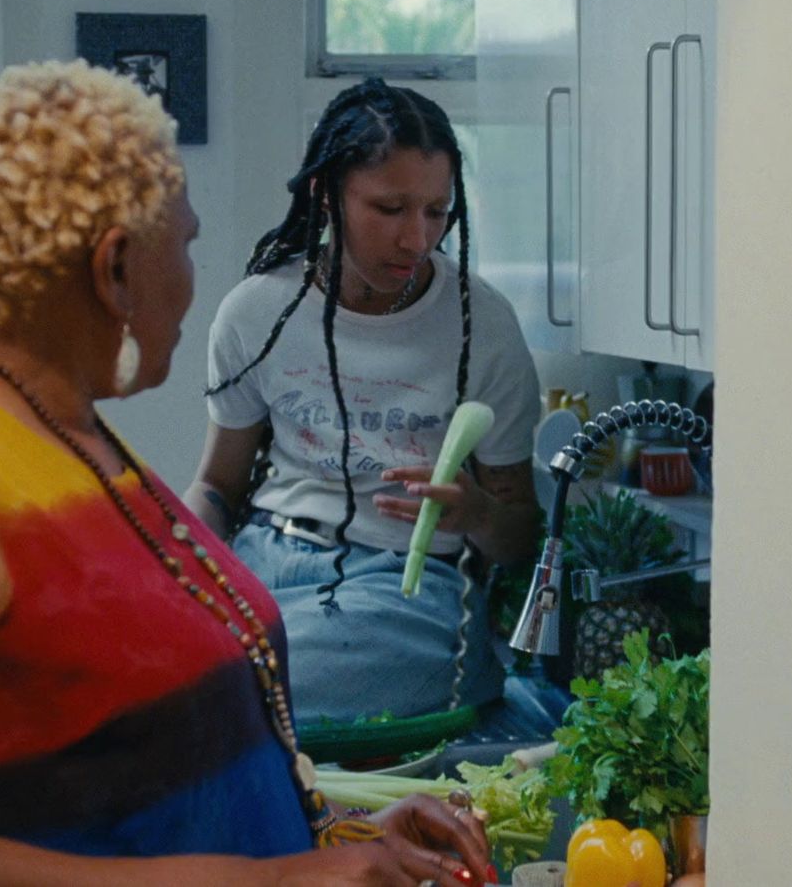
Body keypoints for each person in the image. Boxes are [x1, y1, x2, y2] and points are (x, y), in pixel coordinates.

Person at [0, 60, 491, 886]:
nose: (193, 282)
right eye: (185, 244)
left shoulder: (79, 443)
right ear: (116, 267)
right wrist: (276, 882)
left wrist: (332, 833)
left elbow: (135, 782)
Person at [185, 78, 543, 725]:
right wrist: (177, 584)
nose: (418, 238)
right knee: (179, 662)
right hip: (267, 561)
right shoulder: (258, 313)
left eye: (437, 211)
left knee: (233, 684)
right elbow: (217, 485)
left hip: (406, 589)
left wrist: (476, 513)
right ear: (326, 195)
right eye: (390, 208)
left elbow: (520, 538)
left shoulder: (483, 327)